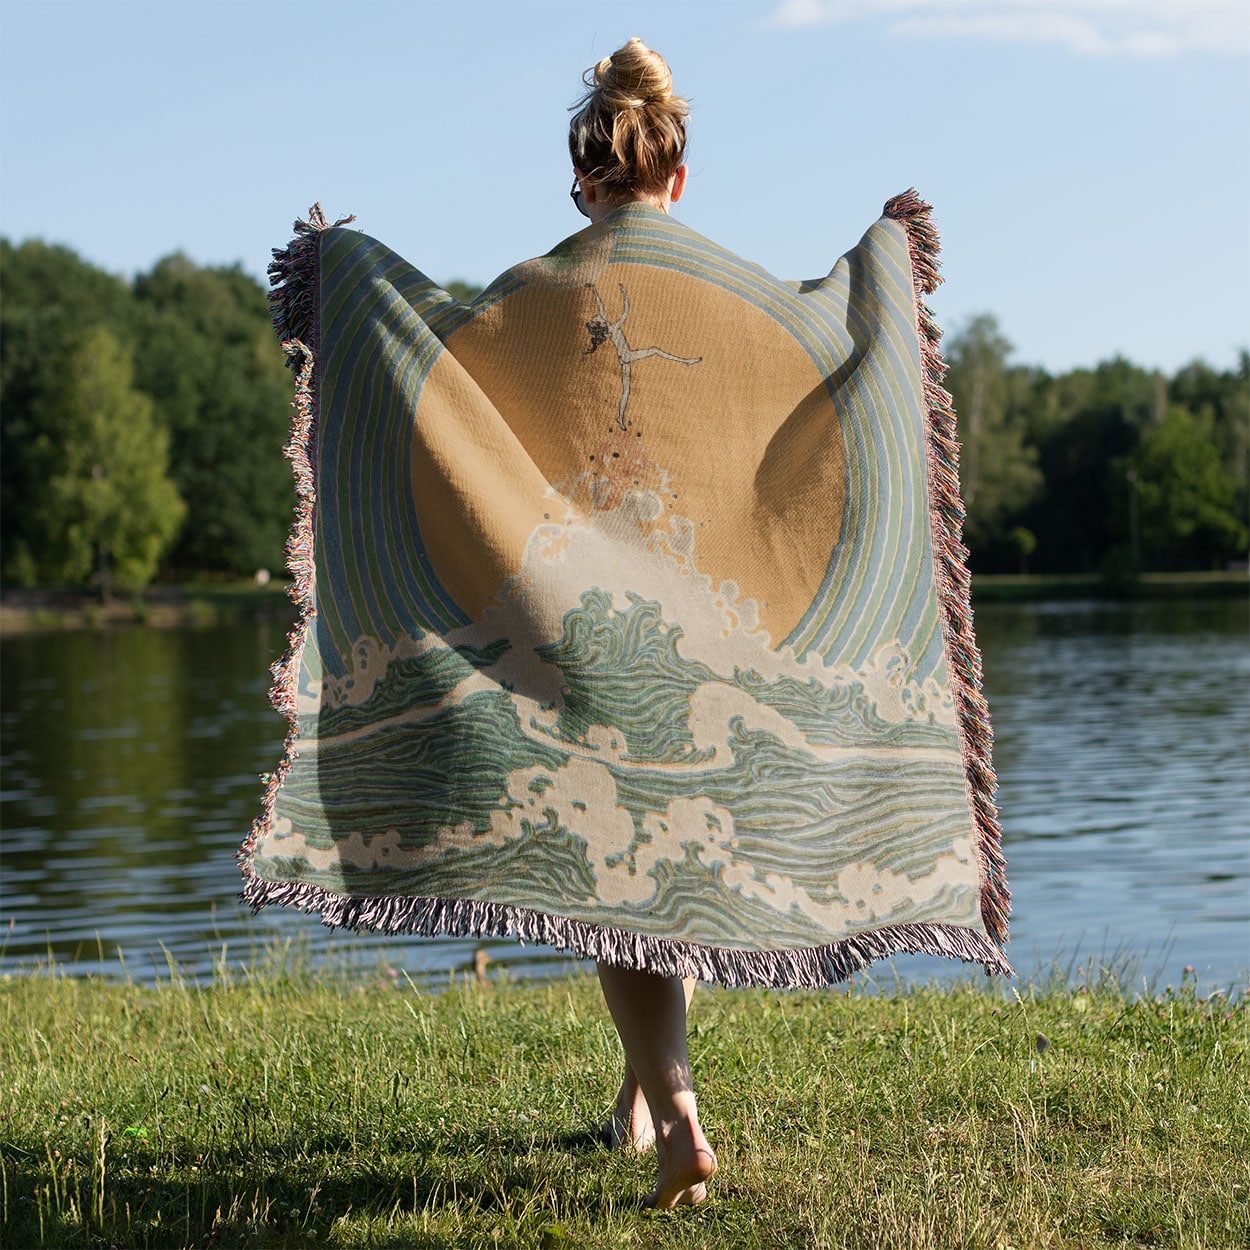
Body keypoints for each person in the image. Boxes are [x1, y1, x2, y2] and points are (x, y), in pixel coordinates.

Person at [567, 37, 717, 1211]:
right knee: (661, 862)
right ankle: (633, 1100)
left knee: (614, 874)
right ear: (677, 175)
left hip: (588, 612)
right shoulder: (728, 295)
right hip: (707, 613)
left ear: (584, 181)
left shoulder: (545, 290)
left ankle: (675, 1115)